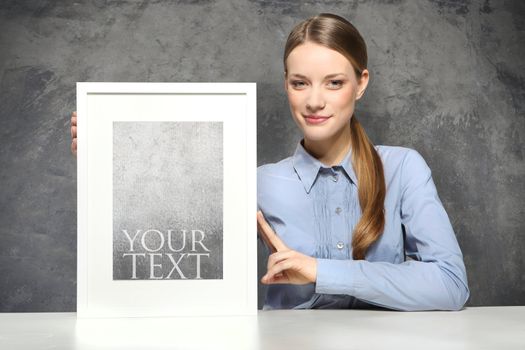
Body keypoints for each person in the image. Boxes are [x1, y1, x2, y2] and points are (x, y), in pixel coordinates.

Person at [71, 13, 470, 311]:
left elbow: (450, 285)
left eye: (334, 82)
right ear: (287, 85)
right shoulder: (256, 182)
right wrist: (110, 160)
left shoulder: (402, 168)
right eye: (300, 83)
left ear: (361, 83)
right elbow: (171, 247)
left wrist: (319, 271)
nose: (315, 101)